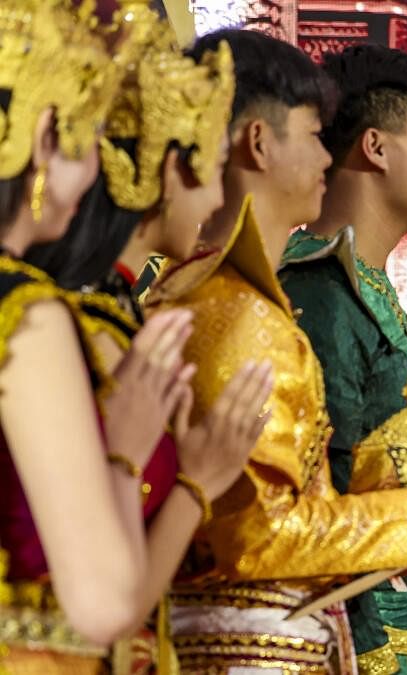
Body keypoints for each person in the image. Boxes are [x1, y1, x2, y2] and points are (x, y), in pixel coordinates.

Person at [142, 29, 407, 672]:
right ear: (258, 143)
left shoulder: (250, 300)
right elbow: (254, 532)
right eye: (315, 134)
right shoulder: (249, 310)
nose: (326, 154)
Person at [0, 2, 226, 670]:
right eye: (87, 130)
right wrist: (126, 453)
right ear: (43, 135)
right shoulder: (26, 314)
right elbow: (102, 603)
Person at [277, 44, 407, 674]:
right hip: (355, 636)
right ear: (377, 148)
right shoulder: (321, 293)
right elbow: (313, 497)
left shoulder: (369, 288)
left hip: (404, 621)